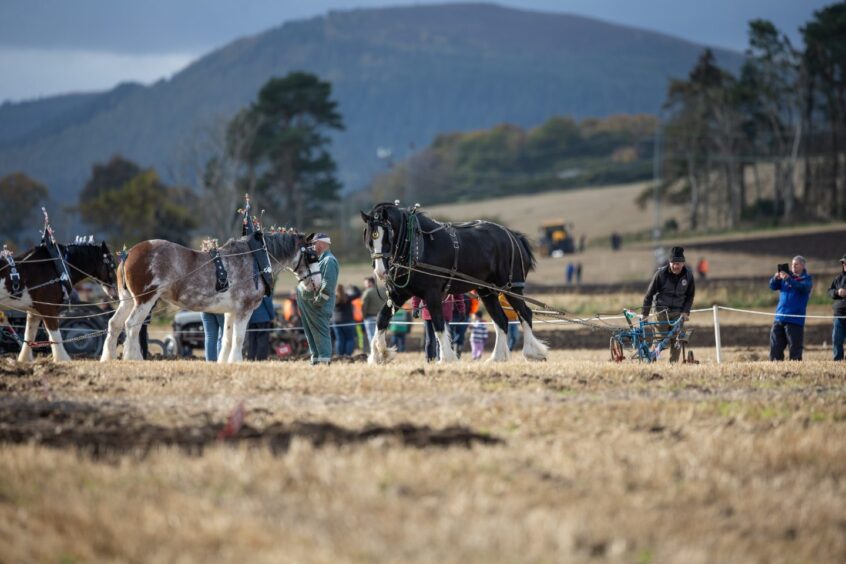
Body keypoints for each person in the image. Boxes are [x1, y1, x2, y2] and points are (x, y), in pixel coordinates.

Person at [642, 246, 695, 363]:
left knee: (677, 341)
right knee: (661, 341)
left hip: (678, 312)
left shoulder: (689, 276)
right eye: (674, 263)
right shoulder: (660, 275)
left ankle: (673, 364)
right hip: (661, 312)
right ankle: (651, 361)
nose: (676, 266)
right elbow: (649, 295)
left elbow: (690, 295)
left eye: (679, 263)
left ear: (683, 263)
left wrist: (686, 311)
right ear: (669, 262)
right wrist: (645, 314)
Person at [296, 233, 339, 365]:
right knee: (311, 334)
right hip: (309, 305)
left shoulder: (329, 261)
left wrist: (319, 302)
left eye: (314, 243)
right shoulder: (320, 260)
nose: (313, 246)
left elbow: (328, 285)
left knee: (320, 333)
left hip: (318, 306)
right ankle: (315, 361)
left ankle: (324, 362)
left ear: (322, 243)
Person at [769, 255, 813, 361]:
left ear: (803, 265)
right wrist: (775, 278)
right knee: (775, 347)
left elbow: (802, 288)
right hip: (779, 318)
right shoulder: (786, 277)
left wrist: (789, 279)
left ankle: (795, 371)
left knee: (795, 349)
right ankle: (775, 369)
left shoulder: (807, 280)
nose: (793, 266)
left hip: (794, 319)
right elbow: (772, 286)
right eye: (792, 264)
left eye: (796, 264)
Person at [411, 294, 462, 362]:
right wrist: (415, 306)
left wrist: (461, 309)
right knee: (430, 341)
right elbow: (417, 291)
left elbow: (458, 292)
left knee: (443, 340)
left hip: (444, 314)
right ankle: (430, 362)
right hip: (428, 314)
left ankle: (442, 361)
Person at [245, 295, 275, 361]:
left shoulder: (249, 285)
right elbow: (268, 302)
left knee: (252, 341)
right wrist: (272, 316)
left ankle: (251, 358)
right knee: (263, 341)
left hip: (251, 319)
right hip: (263, 318)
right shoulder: (264, 285)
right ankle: (261, 359)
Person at [828, 254, 846, 361]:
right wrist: (837, 292)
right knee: (836, 340)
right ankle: (838, 360)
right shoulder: (838, 278)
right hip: (838, 315)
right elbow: (829, 291)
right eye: (843, 262)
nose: (844, 264)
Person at [361, 277, 386, 348]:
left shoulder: (367, 292)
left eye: (366, 283)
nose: (365, 285)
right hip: (382, 317)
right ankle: (381, 352)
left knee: (371, 336)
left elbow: (364, 306)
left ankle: (374, 352)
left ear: (371, 283)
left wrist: (364, 316)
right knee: (381, 336)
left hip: (370, 317)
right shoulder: (382, 291)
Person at [332, 284, 357, 357]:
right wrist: (354, 286)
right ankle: (348, 355)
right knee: (350, 339)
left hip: (336, 322)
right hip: (348, 321)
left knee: (339, 339)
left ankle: (340, 355)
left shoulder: (333, 298)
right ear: (343, 289)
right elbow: (358, 294)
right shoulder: (347, 297)